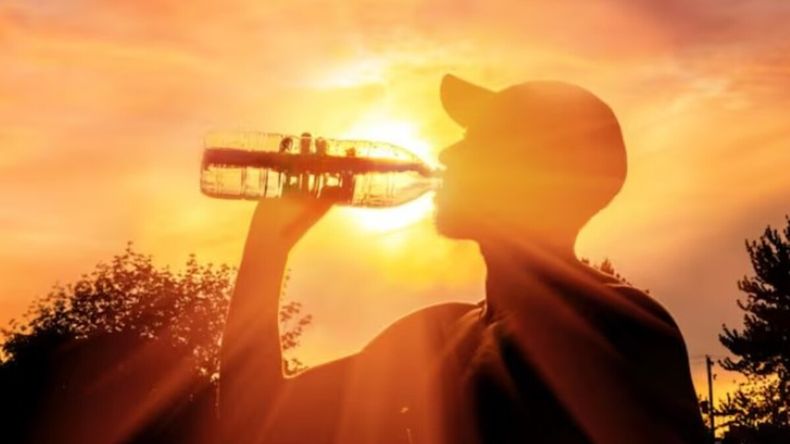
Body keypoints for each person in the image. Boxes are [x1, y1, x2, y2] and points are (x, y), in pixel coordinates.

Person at [218, 74, 707, 443]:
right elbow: (253, 421)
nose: (449, 153)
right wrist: (269, 245)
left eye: (479, 141)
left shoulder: (617, 326)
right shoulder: (438, 335)